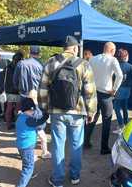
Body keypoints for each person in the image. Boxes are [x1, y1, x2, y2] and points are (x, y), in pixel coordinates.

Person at [38, 35, 97, 187]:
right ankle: (75, 177)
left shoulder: (51, 62)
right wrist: (91, 112)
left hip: (57, 111)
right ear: (76, 48)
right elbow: (90, 91)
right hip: (77, 112)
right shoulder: (83, 64)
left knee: (58, 145)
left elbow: (43, 88)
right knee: (76, 145)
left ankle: (57, 180)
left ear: (64, 48)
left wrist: (44, 108)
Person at [84, 42, 123, 154]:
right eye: (114, 50)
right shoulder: (112, 60)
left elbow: (88, 75)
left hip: (93, 93)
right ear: (112, 50)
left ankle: (86, 142)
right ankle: (104, 148)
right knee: (106, 121)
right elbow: (120, 76)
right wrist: (114, 89)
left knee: (91, 117)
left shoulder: (93, 59)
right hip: (106, 95)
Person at [13, 46, 51, 159]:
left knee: (25, 122)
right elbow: (45, 82)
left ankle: (25, 151)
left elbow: (15, 80)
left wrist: (19, 89)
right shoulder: (41, 65)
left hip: (24, 95)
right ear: (39, 53)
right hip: (37, 96)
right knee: (37, 122)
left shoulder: (21, 64)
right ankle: (43, 151)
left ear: (30, 52)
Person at [16, 97, 49, 187]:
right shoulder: (29, 120)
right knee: (29, 167)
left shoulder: (20, 117)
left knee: (26, 163)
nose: (33, 113)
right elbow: (42, 120)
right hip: (27, 147)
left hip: (21, 146)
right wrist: (46, 114)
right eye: (31, 111)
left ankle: (29, 174)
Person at [113, 49, 132, 134]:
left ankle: (121, 126)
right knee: (124, 107)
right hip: (127, 89)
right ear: (126, 56)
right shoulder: (131, 66)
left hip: (119, 89)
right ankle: (125, 124)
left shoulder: (116, 65)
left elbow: (113, 78)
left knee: (116, 108)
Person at [2, 51, 24, 130]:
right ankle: (18, 124)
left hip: (9, 91)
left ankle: (8, 124)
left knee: (9, 108)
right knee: (18, 109)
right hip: (18, 91)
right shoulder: (21, 68)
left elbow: (3, 78)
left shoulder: (7, 67)